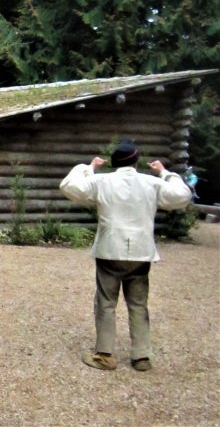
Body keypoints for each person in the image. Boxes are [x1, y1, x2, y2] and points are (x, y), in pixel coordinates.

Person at [59, 139, 192, 372]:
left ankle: (105, 354)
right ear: (136, 160)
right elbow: (182, 196)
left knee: (106, 303)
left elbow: (69, 186)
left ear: (115, 162)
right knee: (139, 304)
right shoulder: (151, 183)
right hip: (141, 252)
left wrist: (88, 167)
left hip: (110, 250)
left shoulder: (101, 181)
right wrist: (165, 173)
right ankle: (141, 356)